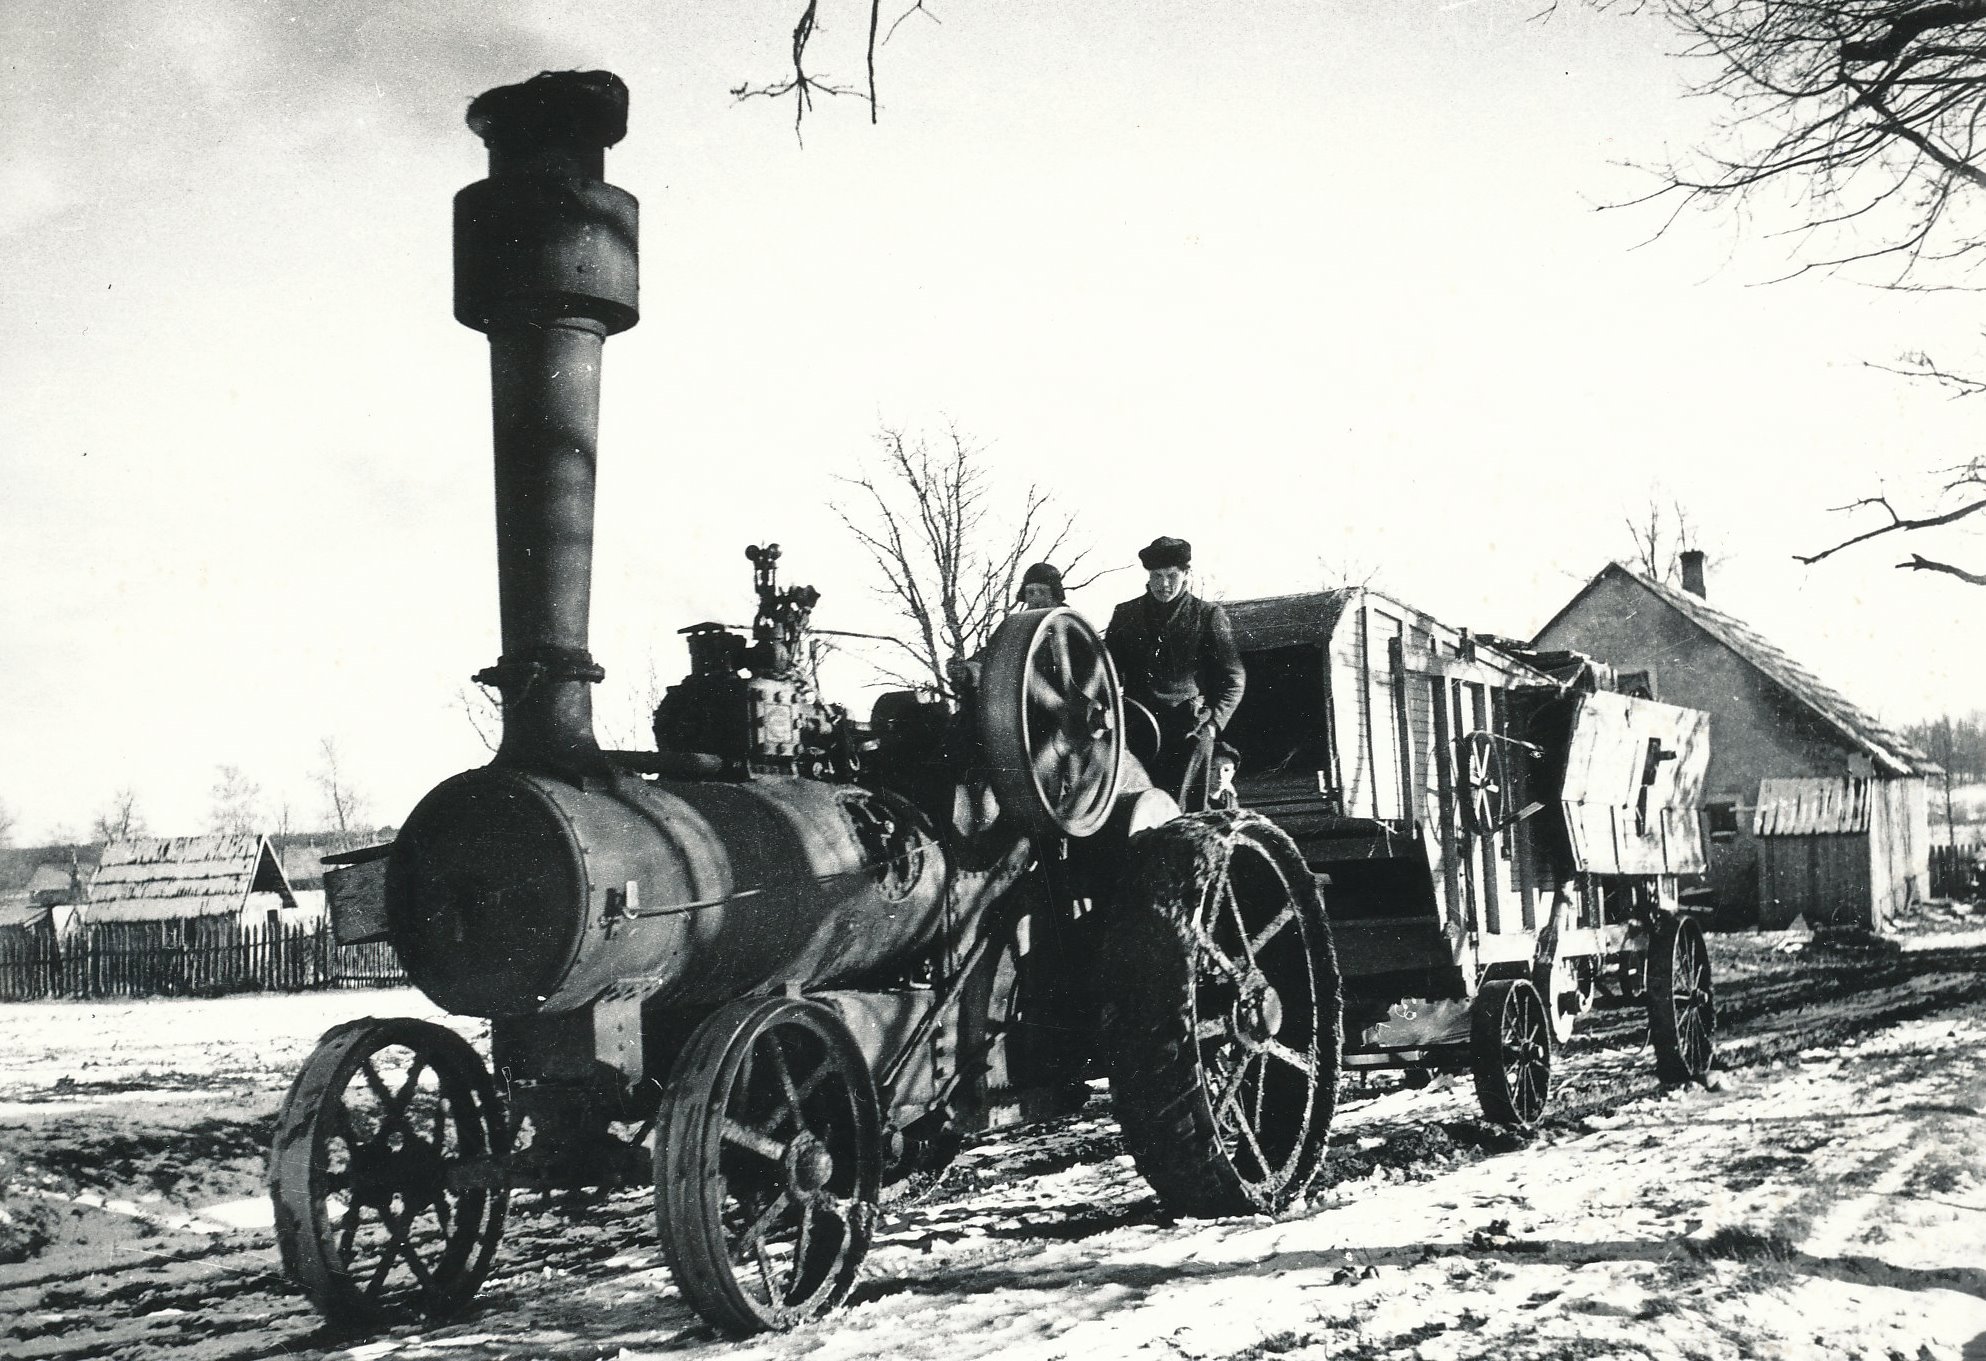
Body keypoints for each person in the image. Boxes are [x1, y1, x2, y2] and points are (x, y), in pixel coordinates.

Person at [1105, 535, 1246, 809]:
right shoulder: (1126, 615)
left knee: (1184, 818)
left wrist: (1214, 724)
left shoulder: (1207, 616)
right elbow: (1106, 673)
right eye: (1156, 575)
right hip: (1137, 732)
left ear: (1186, 574)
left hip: (1188, 734)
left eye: (1171, 575)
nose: (1164, 584)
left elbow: (1234, 679)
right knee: (1137, 814)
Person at [1207, 741, 1242, 811]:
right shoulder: (1194, 800)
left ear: (1233, 773)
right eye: (1213, 769)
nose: (1220, 775)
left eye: (1226, 770)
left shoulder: (1230, 800)